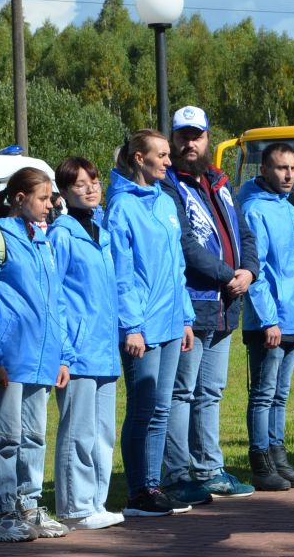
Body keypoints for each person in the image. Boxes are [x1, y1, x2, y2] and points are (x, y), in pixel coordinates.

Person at [162, 106, 258, 502]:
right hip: (194, 301)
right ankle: (177, 473)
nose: (190, 143)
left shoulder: (218, 182)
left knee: (211, 391)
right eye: (183, 136)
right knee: (182, 392)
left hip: (225, 304)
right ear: (173, 139)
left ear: (206, 137)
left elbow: (245, 234)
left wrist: (248, 271)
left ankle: (210, 468)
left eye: (196, 135)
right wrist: (226, 274)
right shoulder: (169, 185)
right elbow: (184, 244)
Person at [0, 168, 72, 542]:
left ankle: (30, 506)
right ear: (18, 197)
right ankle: (5, 512)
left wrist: (63, 356)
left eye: (51, 199)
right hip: (9, 358)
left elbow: (56, 302)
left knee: (33, 436)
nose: (51, 206)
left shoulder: (42, 242)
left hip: (41, 358)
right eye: (44, 198)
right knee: (5, 436)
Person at [104, 132, 197, 517]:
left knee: (161, 408)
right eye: (161, 155)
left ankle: (153, 485)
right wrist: (131, 326)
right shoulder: (121, 206)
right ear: (139, 159)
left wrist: (187, 316)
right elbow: (121, 273)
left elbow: (177, 266)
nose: (169, 162)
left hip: (172, 320)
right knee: (142, 409)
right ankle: (138, 491)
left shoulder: (164, 202)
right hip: (143, 323)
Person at [49, 157, 127, 528]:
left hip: (104, 348)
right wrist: (64, 349)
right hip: (77, 351)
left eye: (94, 180)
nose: (91, 188)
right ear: (64, 192)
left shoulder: (102, 230)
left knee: (102, 433)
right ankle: (75, 505)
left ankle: (96, 500)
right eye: (80, 184)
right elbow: (55, 296)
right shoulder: (61, 235)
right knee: (78, 431)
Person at [238, 143, 294, 490]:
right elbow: (256, 271)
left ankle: (278, 455)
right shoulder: (255, 209)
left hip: (292, 316)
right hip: (268, 320)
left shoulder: (289, 209)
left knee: (281, 393)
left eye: (293, 169)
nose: (288, 175)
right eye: (281, 168)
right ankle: (260, 460)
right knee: (263, 392)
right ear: (265, 171)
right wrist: (268, 318)